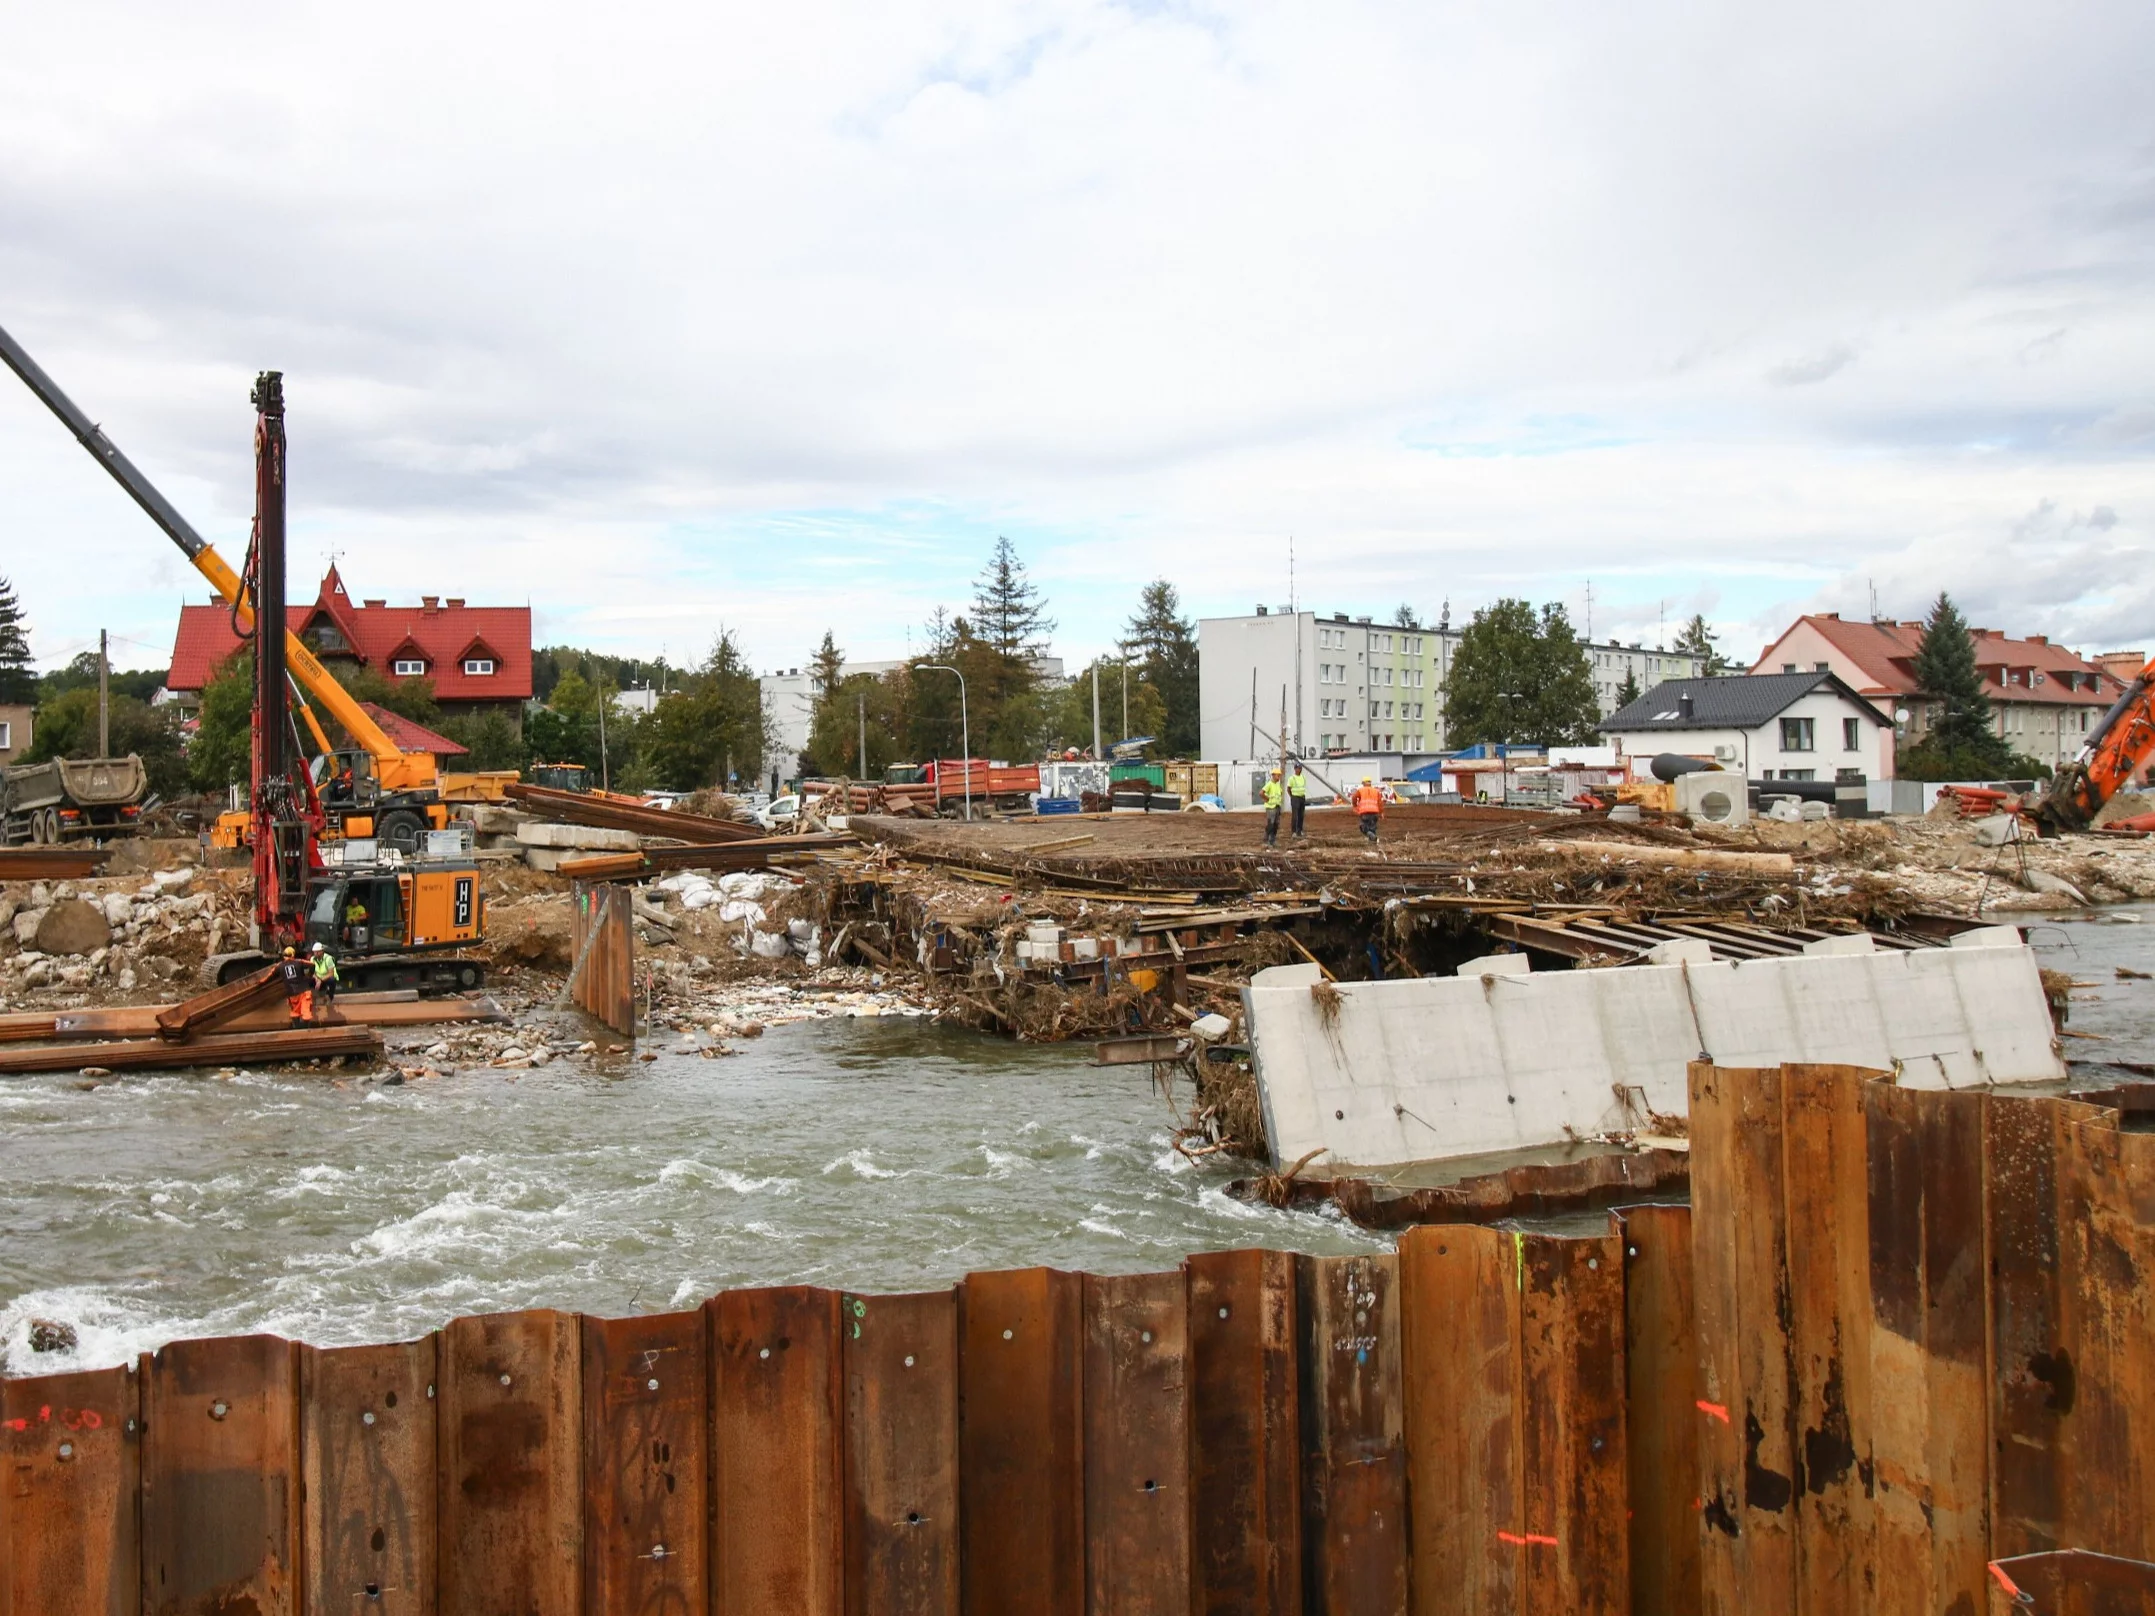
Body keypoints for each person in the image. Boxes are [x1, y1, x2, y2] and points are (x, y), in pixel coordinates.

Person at [278, 945, 313, 1026]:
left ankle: (297, 1029)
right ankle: (305, 1030)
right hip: (304, 992)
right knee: (306, 1013)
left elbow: (269, 975)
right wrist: (309, 975)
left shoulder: (280, 966)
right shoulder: (299, 962)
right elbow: (312, 964)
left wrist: (259, 982)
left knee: (295, 1012)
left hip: (292, 994)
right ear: (293, 955)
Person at [1351, 775, 1385, 847]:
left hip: (1364, 812)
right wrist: (1381, 813)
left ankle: (1371, 836)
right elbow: (1380, 803)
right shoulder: (1376, 791)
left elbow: (1354, 797)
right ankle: (1373, 846)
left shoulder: (1360, 790)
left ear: (1363, 783)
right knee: (1372, 828)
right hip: (1375, 812)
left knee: (1363, 827)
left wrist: (1355, 806)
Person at [310, 942, 341, 1019]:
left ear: (322, 951)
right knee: (309, 980)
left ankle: (330, 998)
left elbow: (331, 973)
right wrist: (317, 979)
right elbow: (312, 972)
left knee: (332, 980)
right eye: (314, 952)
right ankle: (315, 997)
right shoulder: (312, 959)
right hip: (318, 978)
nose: (316, 954)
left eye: (318, 952)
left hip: (326, 978)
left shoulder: (328, 959)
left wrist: (320, 980)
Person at [1261, 768, 1284, 847]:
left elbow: (1280, 792)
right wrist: (1266, 799)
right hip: (1271, 808)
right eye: (1278, 775)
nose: (1279, 777)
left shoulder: (1277, 784)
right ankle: (1266, 840)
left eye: (1279, 775)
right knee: (1270, 824)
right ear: (1273, 775)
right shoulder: (1269, 784)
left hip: (1277, 807)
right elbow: (1261, 793)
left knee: (1276, 825)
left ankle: (1272, 840)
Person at [1287, 761, 1309, 838]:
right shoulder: (1292, 778)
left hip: (1302, 797)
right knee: (1295, 816)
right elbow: (1288, 789)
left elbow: (1303, 787)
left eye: (1300, 768)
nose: (1299, 770)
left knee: (1301, 815)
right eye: (1297, 768)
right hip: (1295, 797)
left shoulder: (1303, 777)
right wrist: (1292, 796)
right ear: (1295, 769)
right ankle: (1294, 831)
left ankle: (1300, 830)